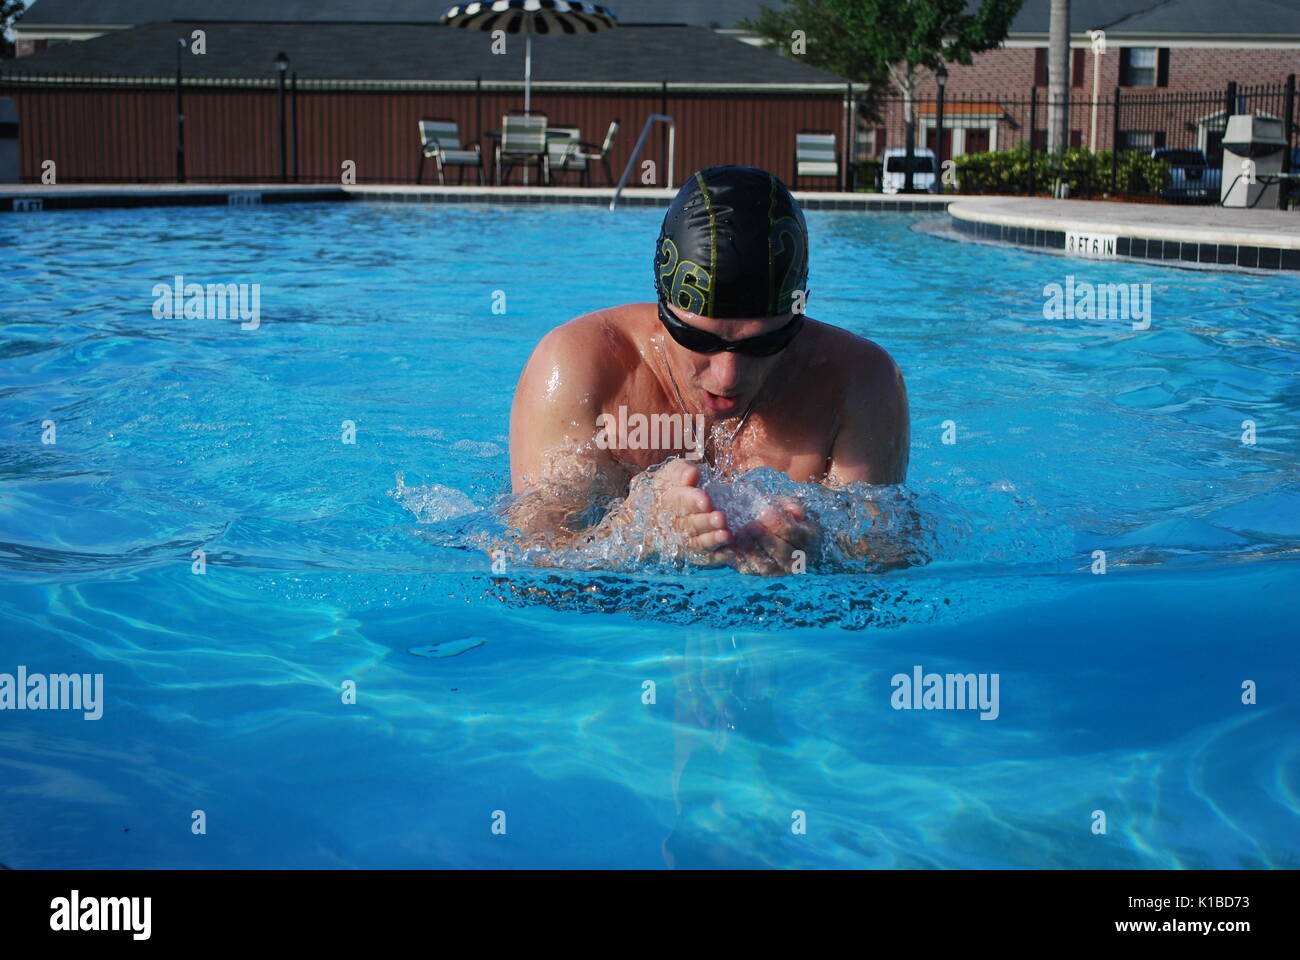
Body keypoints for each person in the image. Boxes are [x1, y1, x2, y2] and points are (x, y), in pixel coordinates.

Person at [508, 165, 909, 575]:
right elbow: (531, 563)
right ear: (663, 307)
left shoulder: (859, 382)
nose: (727, 376)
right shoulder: (580, 367)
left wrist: (819, 553)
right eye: (699, 340)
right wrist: (637, 530)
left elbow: (887, 561)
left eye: (762, 343)